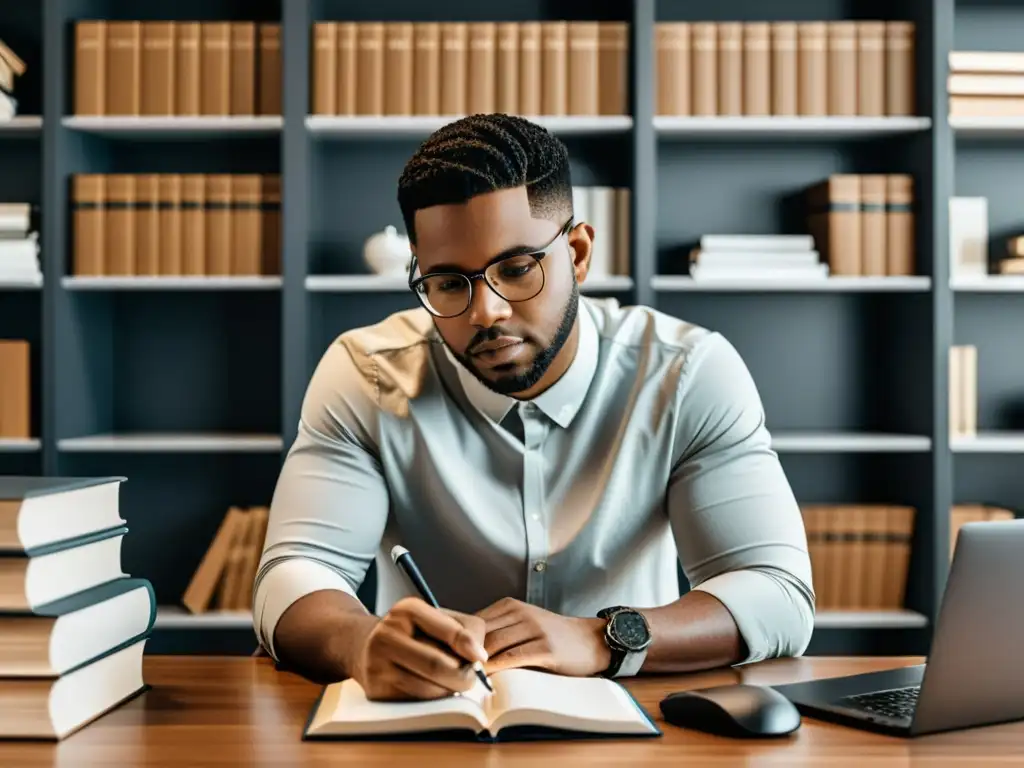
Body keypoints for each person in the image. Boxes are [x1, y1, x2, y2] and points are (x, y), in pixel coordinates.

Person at [252, 113, 814, 701]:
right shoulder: (364, 373)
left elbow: (778, 594)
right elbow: (292, 573)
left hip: (639, 725)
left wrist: (604, 640)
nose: (485, 312)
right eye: (448, 283)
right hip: (425, 727)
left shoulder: (687, 372)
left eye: (517, 269)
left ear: (576, 253)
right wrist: (361, 644)